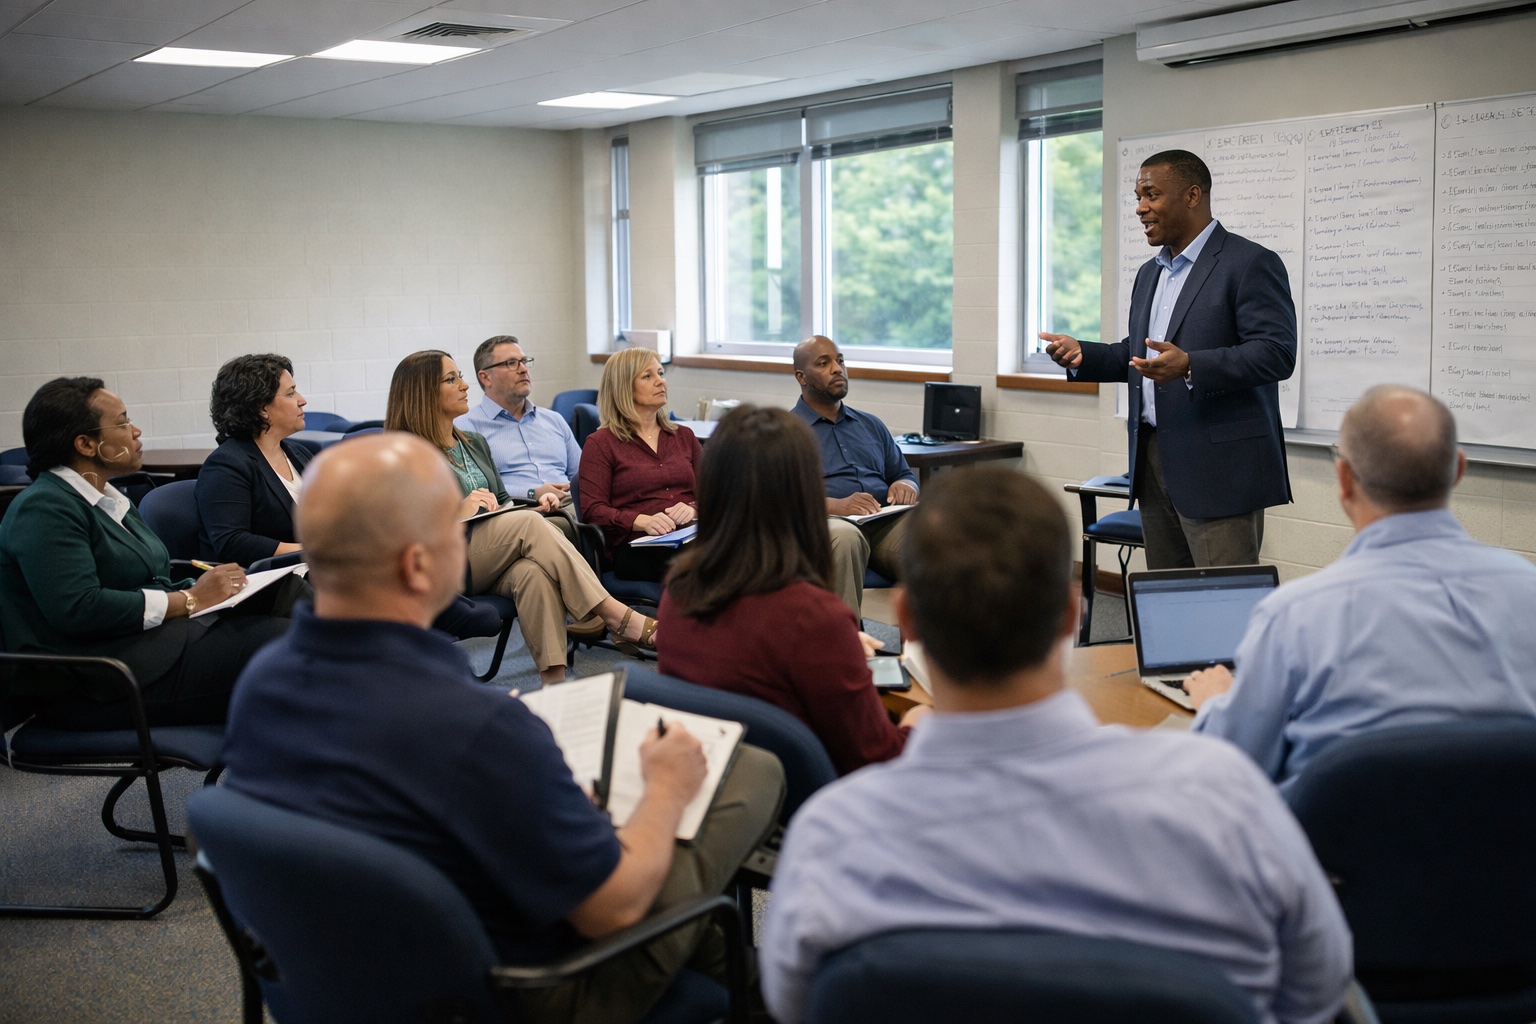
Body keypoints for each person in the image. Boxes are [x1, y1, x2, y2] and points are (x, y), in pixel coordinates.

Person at [220, 432, 785, 1024]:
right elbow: (611, 910)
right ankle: (774, 990)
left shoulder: (263, 681)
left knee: (707, 944)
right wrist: (668, 786)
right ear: (417, 564)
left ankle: (751, 987)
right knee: (748, 773)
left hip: (350, 976)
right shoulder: (475, 727)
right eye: (454, 525)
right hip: (526, 993)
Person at [759, 466, 1352, 1024]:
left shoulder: (832, 838)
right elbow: (1315, 991)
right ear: (1074, 612)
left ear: (906, 620)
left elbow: (797, 1004)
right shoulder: (1223, 795)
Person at [1187, 385, 1536, 788]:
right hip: (1507, 844)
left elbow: (1235, 765)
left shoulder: (1294, 617)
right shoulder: (1526, 590)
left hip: (1337, 848)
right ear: (1458, 470)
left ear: (1344, 479)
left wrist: (1214, 703)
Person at [1042, 149, 1295, 569]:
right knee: (1168, 598)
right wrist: (1084, 355)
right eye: (1137, 197)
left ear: (1192, 195)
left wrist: (1192, 365)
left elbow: (1276, 352)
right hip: (1154, 459)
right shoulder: (1150, 272)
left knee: (1224, 601)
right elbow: (1138, 353)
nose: (1140, 208)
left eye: (1151, 195)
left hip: (1219, 469)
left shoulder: (1249, 263)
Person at [0, 377, 287, 729]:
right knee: (286, 650)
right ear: (86, 444)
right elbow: (78, 609)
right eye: (122, 422)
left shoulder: (105, 498)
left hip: (145, 649)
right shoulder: (45, 507)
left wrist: (220, 590)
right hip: (95, 681)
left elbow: (150, 577)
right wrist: (190, 600)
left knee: (291, 627)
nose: (135, 431)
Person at [658, 405, 927, 775]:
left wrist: (836, 647)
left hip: (719, 775)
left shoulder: (679, 592)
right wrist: (920, 721)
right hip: (815, 797)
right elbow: (876, 757)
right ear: (803, 492)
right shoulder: (811, 617)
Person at [386, 351, 658, 682]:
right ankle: (613, 615)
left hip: (487, 554)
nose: (464, 384)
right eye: (451, 379)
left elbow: (501, 500)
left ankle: (555, 684)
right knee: (531, 523)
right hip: (444, 561)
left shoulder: (472, 441)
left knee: (532, 573)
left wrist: (521, 502)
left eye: (460, 375)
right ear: (422, 392)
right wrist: (459, 510)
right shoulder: (404, 452)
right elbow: (403, 531)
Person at [790, 334, 919, 616]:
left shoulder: (870, 424)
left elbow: (904, 472)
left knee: (938, 535)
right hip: (826, 523)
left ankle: (935, 652)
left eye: (840, 361)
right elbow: (779, 500)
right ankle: (844, 648)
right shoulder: (786, 432)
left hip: (883, 521)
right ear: (801, 376)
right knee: (845, 536)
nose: (837, 368)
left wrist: (905, 485)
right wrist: (837, 505)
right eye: (824, 363)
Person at [577, 348, 701, 583]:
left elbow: (715, 494)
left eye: (661, 373)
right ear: (624, 387)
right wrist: (640, 520)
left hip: (690, 536)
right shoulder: (601, 443)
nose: (660, 381)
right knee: (707, 565)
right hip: (639, 545)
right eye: (648, 376)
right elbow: (593, 509)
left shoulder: (683, 435)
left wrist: (693, 508)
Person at [195, 353, 310, 565]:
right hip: (265, 582)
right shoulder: (226, 465)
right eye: (291, 393)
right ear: (262, 408)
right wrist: (313, 551)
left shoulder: (299, 453)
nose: (302, 400)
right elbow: (232, 543)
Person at [455, 334, 582, 507]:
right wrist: (531, 493)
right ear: (486, 377)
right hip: (520, 510)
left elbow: (583, 475)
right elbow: (477, 489)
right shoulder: (466, 427)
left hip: (573, 505)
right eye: (511, 363)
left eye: (524, 361)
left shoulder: (554, 420)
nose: (523, 369)